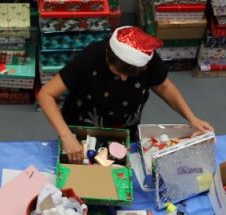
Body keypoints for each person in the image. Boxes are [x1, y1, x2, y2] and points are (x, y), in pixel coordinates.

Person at [36, 26, 212, 162]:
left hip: (124, 130)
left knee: (116, 174)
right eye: (118, 72)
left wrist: (191, 118)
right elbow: (46, 94)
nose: (123, 78)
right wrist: (66, 136)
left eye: (130, 75)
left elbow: (164, 86)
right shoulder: (91, 57)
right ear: (108, 57)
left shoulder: (146, 57)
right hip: (81, 131)